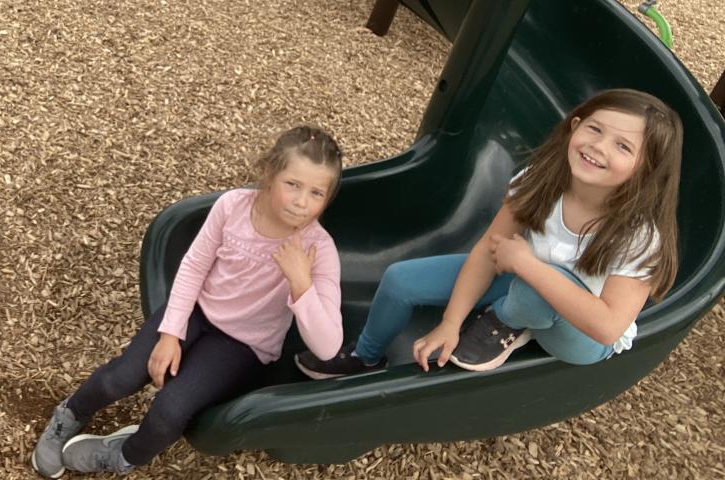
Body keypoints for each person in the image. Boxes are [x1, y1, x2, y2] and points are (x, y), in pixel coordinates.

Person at [297, 88, 681, 380]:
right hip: (524, 278)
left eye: (622, 146)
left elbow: (608, 327)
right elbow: (487, 251)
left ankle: (504, 319)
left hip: (582, 336)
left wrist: (527, 266)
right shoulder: (538, 182)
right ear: (574, 126)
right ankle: (365, 356)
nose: (598, 146)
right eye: (595, 129)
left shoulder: (640, 237)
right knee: (400, 280)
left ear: (645, 168)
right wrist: (451, 322)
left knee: (533, 290)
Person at [33, 126, 345, 477]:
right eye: (293, 184)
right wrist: (170, 333)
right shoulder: (234, 206)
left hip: (243, 345)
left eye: (316, 192)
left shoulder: (319, 250)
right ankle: (70, 414)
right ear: (270, 173)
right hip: (197, 312)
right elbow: (194, 266)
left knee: (169, 411)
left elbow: (328, 346)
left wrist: (301, 283)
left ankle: (124, 455)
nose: (302, 201)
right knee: (120, 378)